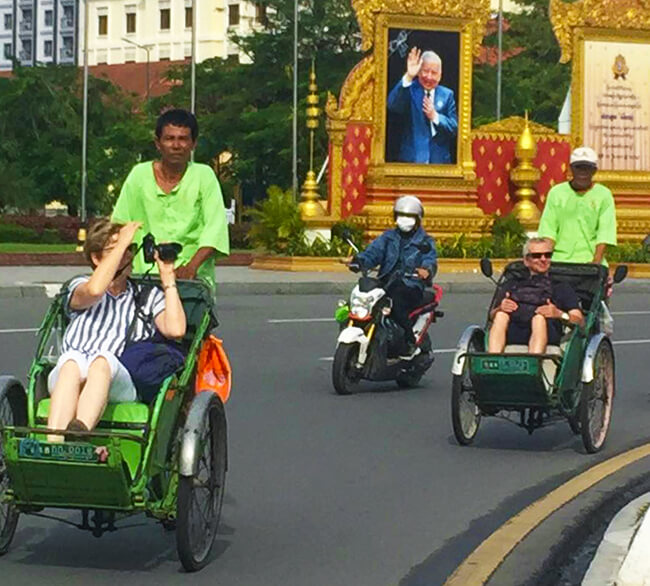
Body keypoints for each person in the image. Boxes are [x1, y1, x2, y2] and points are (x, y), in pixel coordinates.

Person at [46, 219, 186, 445]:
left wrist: (168, 276)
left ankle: (79, 434)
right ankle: (52, 446)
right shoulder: (79, 285)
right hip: (69, 373)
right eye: (116, 250)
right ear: (96, 258)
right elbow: (94, 289)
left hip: (116, 377)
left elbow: (176, 329)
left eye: (130, 249)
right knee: (71, 361)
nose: (127, 255)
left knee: (103, 361)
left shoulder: (146, 296)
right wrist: (121, 243)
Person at [112, 109, 230, 287]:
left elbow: (215, 229)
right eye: (169, 139)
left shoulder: (204, 176)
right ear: (158, 143)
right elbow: (120, 226)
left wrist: (191, 267)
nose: (176, 145)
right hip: (145, 276)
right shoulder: (139, 175)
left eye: (183, 139)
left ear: (193, 144)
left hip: (191, 278)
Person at [349, 195, 437, 358]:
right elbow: (373, 253)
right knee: (362, 298)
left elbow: (430, 259)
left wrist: (426, 270)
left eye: (409, 217)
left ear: (417, 219)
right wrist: (359, 261)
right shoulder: (388, 237)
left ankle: (409, 343)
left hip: (410, 285)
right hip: (386, 281)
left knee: (396, 303)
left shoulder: (425, 241)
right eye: (401, 215)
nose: (405, 220)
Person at [488, 237, 584, 354]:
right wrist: (500, 308)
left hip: (547, 335)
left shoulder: (561, 287)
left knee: (538, 319)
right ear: (526, 260)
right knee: (500, 316)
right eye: (537, 256)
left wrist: (559, 314)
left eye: (547, 255)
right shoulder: (511, 284)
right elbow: (491, 316)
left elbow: (580, 321)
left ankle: (534, 364)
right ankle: (493, 360)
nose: (543, 259)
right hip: (512, 334)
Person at [538, 146, 617, 265]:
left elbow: (605, 232)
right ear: (571, 169)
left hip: (591, 260)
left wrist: (596, 262)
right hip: (560, 259)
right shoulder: (557, 193)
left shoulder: (604, 195)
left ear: (594, 170)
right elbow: (548, 229)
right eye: (578, 167)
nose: (583, 172)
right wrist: (546, 258)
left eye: (587, 168)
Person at [387, 47, 458, 164]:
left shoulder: (447, 95)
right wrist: (409, 76)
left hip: (439, 164)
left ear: (440, 75)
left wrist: (435, 116)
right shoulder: (410, 89)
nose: (429, 77)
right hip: (411, 161)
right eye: (425, 71)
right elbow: (392, 105)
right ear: (419, 71)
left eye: (434, 73)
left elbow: (454, 127)